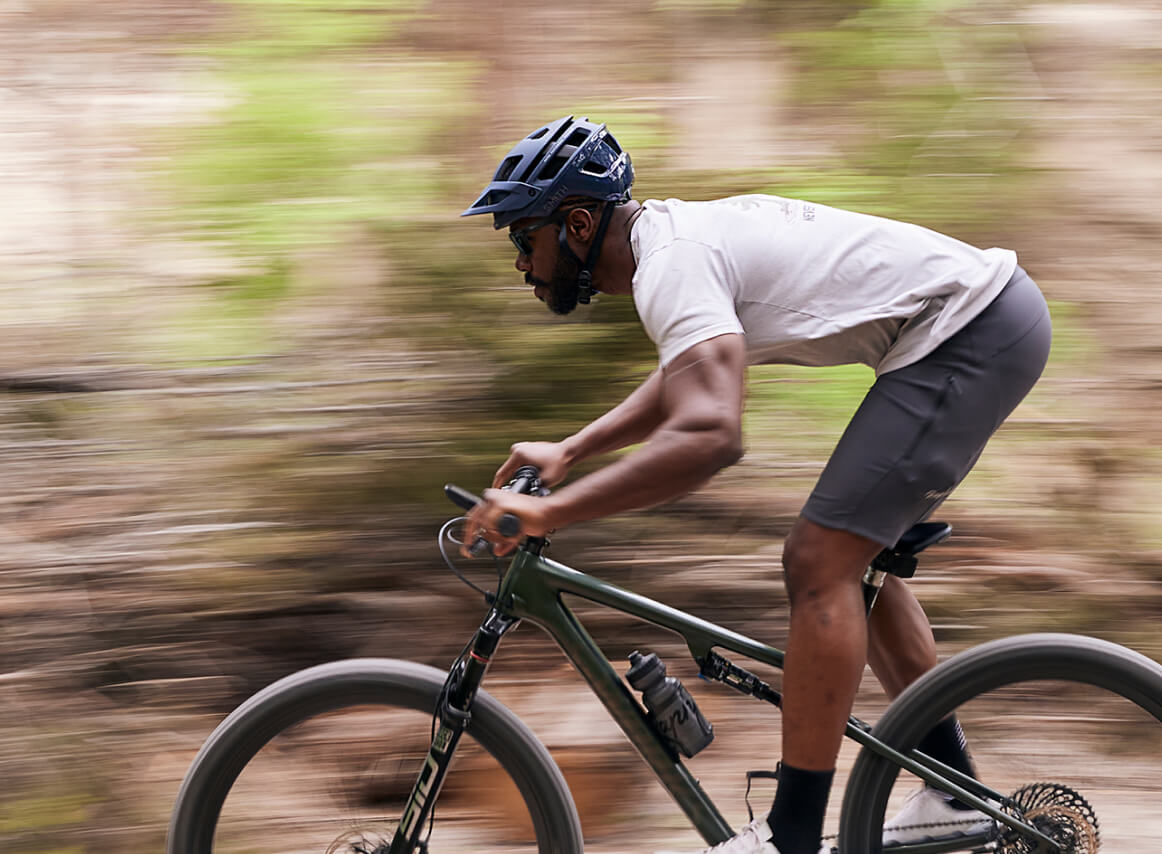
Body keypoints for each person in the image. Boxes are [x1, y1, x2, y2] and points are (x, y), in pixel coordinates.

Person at [459, 115, 1052, 854]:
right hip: (975, 329)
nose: (520, 261)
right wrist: (572, 450)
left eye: (523, 238)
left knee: (817, 561)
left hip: (971, 331)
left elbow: (711, 434)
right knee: (850, 556)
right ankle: (951, 789)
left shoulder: (671, 260)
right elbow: (689, 374)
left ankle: (791, 834)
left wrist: (555, 513)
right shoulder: (670, 247)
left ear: (577, 223)